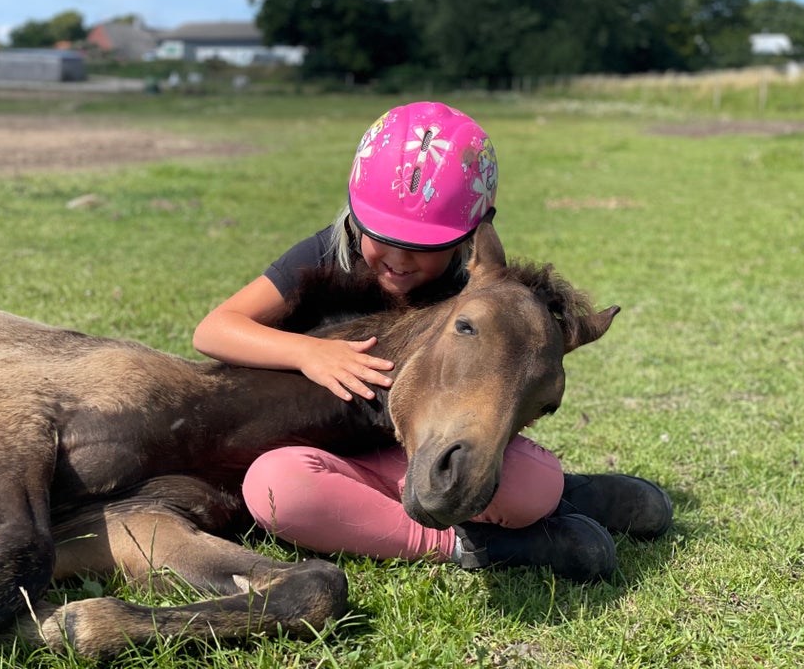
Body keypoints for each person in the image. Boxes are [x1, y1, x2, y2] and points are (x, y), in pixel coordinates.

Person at [193, 101, 672, 582]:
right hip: (312, 448)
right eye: (381, 236)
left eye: (424, 247)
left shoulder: (467, 292)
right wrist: (307, 351)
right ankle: (479, 544)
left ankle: (562, 494)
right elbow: (213, 329)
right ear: (356, 212)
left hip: (407, 450)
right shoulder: (324, 255)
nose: (400, 259)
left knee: (535, 483)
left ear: (470, 234)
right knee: (277, 488)